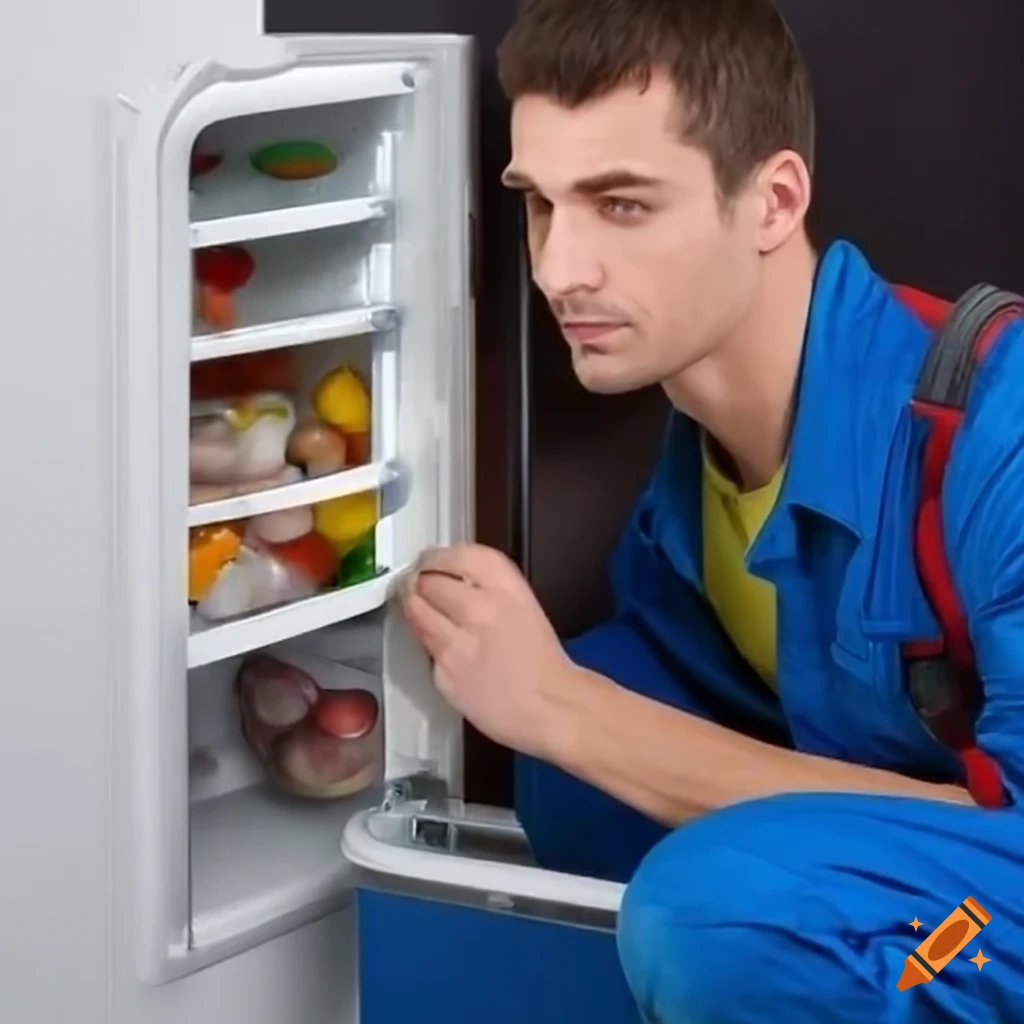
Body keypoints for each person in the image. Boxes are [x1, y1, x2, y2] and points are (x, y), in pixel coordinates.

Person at [398, 0, 1024, 1021]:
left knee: (715, 911)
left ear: (773, 201)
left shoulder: (1000, 430)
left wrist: (560, 706)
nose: (559, 269)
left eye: (623, 205)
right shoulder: (689, 483)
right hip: (916, 870)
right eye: (541, 204)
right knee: (577, 779)